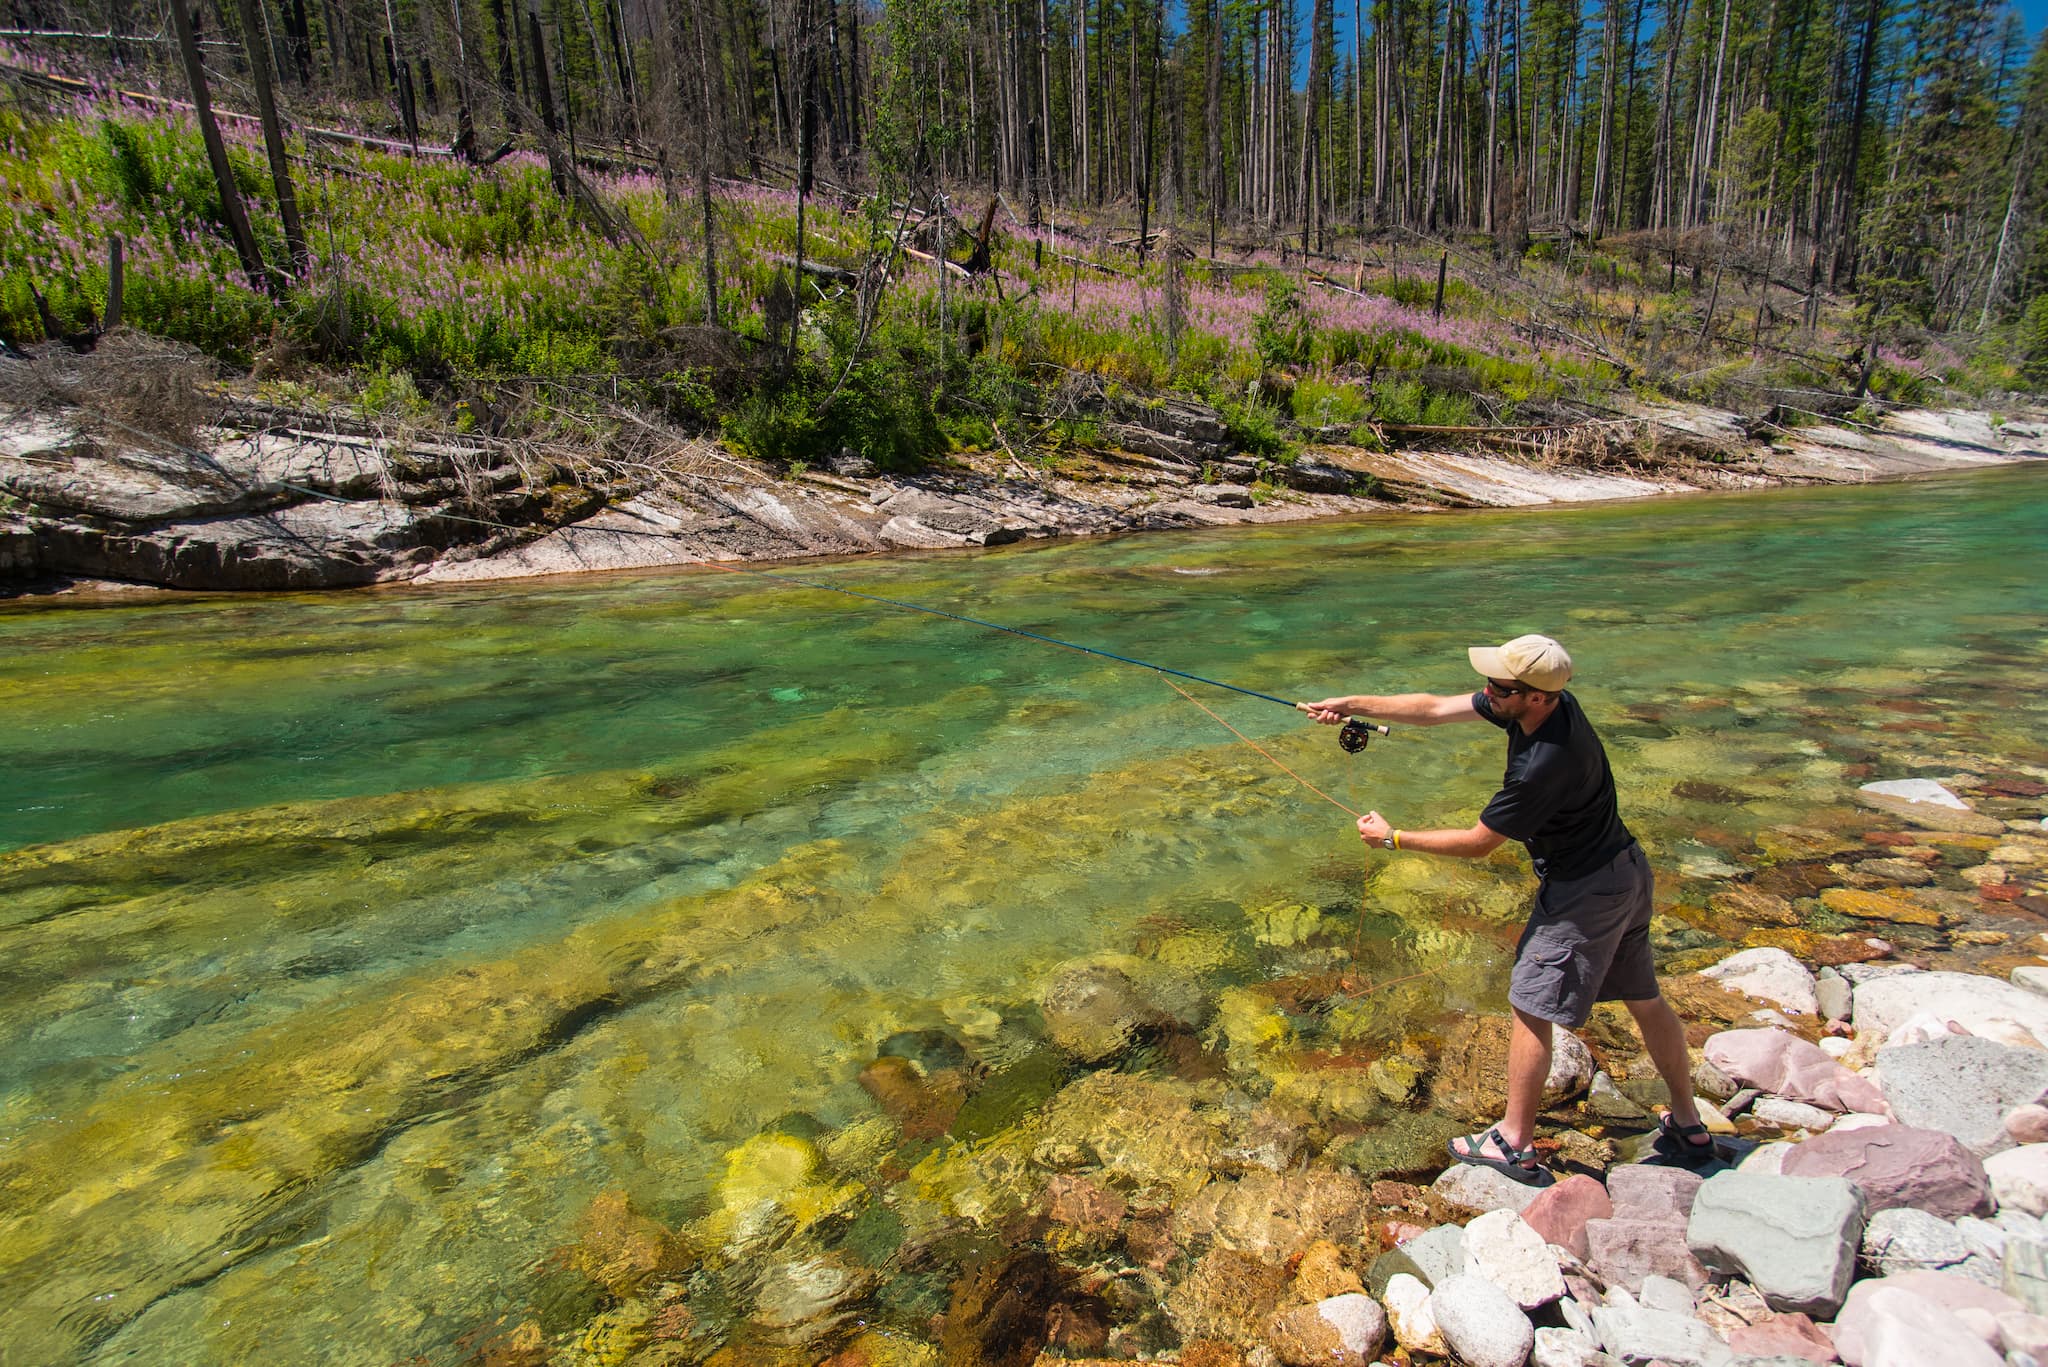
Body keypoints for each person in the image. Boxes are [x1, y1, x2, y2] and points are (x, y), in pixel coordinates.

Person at [1300, 633, 1714, 1187]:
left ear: (1536, 696)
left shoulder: (1544, 765)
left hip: (1585, 891)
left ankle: (1513, 1142)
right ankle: (1689, 1123)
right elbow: (1433, 708)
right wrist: (1350, 704)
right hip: (1625, 872)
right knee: (1643, 997)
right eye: (1490, 679)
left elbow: (1478, 843)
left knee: (1528, 1004)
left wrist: (1394, 838)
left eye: (1498, 684)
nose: (1485, 690)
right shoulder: (1544, 704)